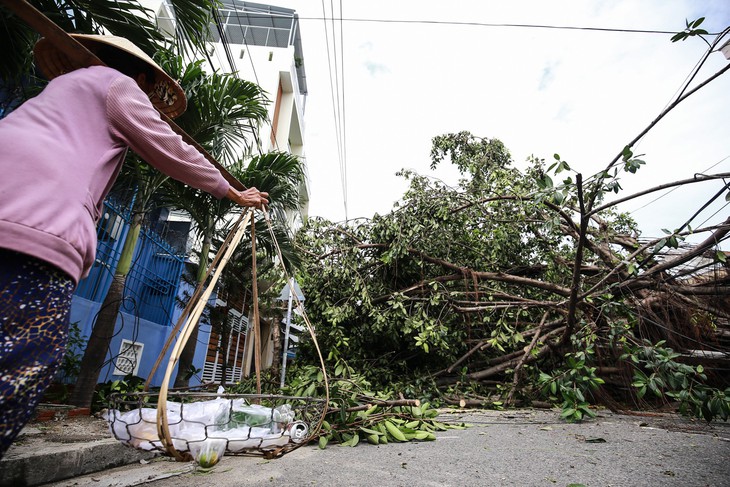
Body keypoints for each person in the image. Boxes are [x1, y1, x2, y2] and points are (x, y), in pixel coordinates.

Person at [0, 34, 268, 458]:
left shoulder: (63, 89)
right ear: (141, 79)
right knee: (23, 360)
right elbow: (169, 146)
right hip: (34, 227)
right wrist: (233, 192)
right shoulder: (116, 85)